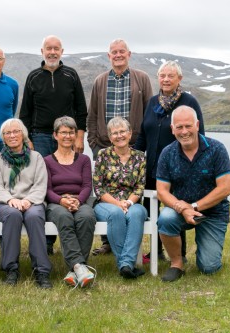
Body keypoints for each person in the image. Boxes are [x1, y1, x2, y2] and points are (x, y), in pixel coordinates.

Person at [19, 35, 88, 255]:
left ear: (62, 51)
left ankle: (73, 226)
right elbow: (25, 112)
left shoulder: (71, 75)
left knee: (69, 182)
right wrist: (27, 138)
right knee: (42, 185)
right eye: (48, 48)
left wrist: (78, 136)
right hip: (39, 137)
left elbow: (81, 108)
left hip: (67, 136)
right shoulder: (33, 77)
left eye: (56, 49)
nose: (52, 52)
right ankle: (46, 242)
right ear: (42, 51)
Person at [134, 60, 205, 263]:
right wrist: (132, 160)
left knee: (175, 209)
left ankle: (179, 254)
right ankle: (156, 251)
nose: (165, 79)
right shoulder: (153, 102)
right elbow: (143, 135)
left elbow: (199, 135)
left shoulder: (189, 102)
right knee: (150, 209)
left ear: (179, 79)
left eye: (170, 76)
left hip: (177, 169)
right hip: (151, 169)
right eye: (162, 75)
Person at [86, 38, 153, 255]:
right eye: (114, 52)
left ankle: (132, 242)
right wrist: (95, 147)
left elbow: (148, 115)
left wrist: (141, 147)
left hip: (133, 148)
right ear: (109, 56)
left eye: (121, 51)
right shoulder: (100, 81)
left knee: (132, 193)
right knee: (107, 190)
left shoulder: (141, 79)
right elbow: (93, 115)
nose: (118, 55)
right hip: (105, 148)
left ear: (129, 54)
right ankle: (108, 243)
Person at [156, 106, 230, 282]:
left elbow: (225, 188)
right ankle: (176, 263)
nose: (184, 132)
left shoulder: (217, 149)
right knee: (166, 217)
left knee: (209, 267)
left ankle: (206, 249)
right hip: (180, 211)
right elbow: (162, 190)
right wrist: (182, 209)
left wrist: (193, 207)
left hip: (213, 213)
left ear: (197, 125)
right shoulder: (167, 153)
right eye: (179, 127)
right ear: (172, 129)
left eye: (188, 126)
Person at [0, 118, 52, 289]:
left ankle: (41, 270)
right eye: (7, 133)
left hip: (33, 201)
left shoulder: (36, 157)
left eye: (16, 131)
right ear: (3, 137)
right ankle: (11, 269)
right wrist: (11, 200)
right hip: (6, 203)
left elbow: (40, 184)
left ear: (23, 134)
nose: (12, 135)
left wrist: (28, 200)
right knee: (13, 215)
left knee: (33, 217)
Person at [44, 117, 97, 288]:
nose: (68, 136)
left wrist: (78, 201)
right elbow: (47, 190)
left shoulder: (84, 160)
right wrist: (61, 201)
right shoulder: (47, 161)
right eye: (63, 132)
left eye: (71, 132)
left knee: (87, 217)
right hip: (56, 204)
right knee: (64, 217)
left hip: (80, 201)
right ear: (55, 135)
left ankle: (75, 271)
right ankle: (80, 267)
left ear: (75, 135)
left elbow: (87, 185)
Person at [93, 117, 147, 279]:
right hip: (106, 203)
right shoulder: (103, 155)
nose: (119, 136)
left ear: (130, 134)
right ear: (110, 138)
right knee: (116, 214)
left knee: (137, 214)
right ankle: (127, 263)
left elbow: (139, 186)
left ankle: (125, 265)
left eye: (122, 131)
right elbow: (98, 187)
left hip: (132, 202)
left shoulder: (139, 157)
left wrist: (129, 202)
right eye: (114, 133)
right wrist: (117, 204)